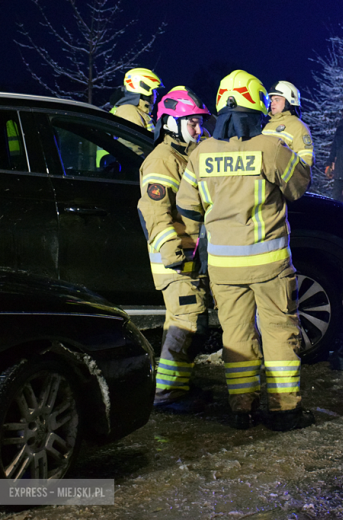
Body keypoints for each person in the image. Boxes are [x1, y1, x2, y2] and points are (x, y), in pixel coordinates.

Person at [175, 70, 314, 431]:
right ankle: (285, 411)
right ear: (257, 108)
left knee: (236, 337)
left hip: (224, 268)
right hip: (270, 266)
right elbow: (299, 186)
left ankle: (242, 409)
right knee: (279, 334)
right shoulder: (270, 147)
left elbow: (187, 207)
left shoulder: (201, 153)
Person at [137, 86, 213, 413]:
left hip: (191, 255)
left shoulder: (188, 155)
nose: (198, 128)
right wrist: (172, 252)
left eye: (199, 122)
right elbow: (154, 210)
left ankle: (175, 385)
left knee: (187, 322)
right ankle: (167, 394)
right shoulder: (163, 159)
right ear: (170, 123)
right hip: (176, 258)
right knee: (188, 322)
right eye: (191, 122)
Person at [262, 81, 314, 166]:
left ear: (289, 102)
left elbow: (306, 160)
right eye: (271, 100)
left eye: (277, 100)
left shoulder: (298, 127)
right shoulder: (268, 126)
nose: (272, 103)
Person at [111, 67, 163, 132]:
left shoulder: (137, 112)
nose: (157, 94)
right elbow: (132, 138)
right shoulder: (129, 112)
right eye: (154, 90)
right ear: (146, 90)